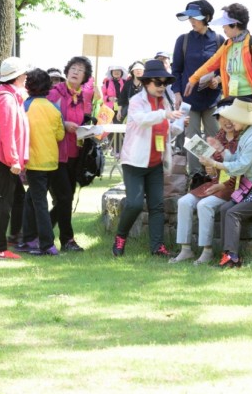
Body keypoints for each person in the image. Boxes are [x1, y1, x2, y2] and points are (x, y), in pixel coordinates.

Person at [111, 60, 183, 257]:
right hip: (134, 162)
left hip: (155, 162)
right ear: (146, 82)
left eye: (164, 83)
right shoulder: (136, 101)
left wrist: (179, 124)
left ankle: (157, 247)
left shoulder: (165, 102)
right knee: (134, 204)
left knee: (157, 206)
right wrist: (165, 114)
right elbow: (142, 120)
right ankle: (120, 237)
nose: (162, 87)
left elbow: (166, 130)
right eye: (158, 82)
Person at [204, 99, 252, 268]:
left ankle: (232, 257)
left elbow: (240, 167)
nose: (231, 122)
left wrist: (215, 164)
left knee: (233, 213)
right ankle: (226, 254)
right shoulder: (246, 134)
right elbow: (236, 159)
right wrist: (221, 150)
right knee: (225, 209)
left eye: (234, 118)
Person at [185, 3, 252, 128]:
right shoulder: (227, 44)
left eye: (225, 24)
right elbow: (211, 63)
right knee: (233, 136)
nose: (223, 27)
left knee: (250, 136)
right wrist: (193, 79)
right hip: (233, 98)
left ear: (235, 24)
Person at [171, 97, 238, 265]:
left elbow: (240, 171)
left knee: (204, 205)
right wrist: (210, 168)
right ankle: (185, 249)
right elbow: (214, 170)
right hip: (216, 183)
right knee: (184, 202)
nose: (227, 122)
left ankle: (207, 251)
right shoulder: (219, 137)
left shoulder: (242, 139)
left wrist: (218, 176)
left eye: (230, 117)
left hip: (233, 186)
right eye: (222, 118)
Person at [0, 57, 31, 260]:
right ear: (17, 76)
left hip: (1, 156)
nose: (26, 77)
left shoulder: (4, 95)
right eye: (24, 74)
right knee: (4, 202)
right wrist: (14, 160)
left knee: (3, 200)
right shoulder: (7, 99)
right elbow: (7, 133)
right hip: (5, 159)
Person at [172, 0, 225, 183]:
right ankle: (196, 175)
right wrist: (177, 94)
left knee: (215, 138)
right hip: (189, 101)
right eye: (190, 18)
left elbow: (225, 69)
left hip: (212, 100)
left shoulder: (219, 40)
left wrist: (217, 80)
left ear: (207, 18)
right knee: (193, 140)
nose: (192, 21)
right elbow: (176, 70)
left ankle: (215, 175)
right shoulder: (183, 40)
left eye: (196, 17)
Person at [48, 56, 97, 252]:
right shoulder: (55, 93)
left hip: (76, 154)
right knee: (65, 197)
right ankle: (67, 240)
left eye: (80, 70)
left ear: (85, 77)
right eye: (73, 68)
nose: (76, 72)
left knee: (66, 197)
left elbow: (82, 121)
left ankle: (40, 230)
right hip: (56, 153)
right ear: (67, 71)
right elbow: (45, 118)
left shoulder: (83, 97)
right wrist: (64, 124)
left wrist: (90, 128)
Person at [21, 69, 65, 256]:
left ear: (28, 86)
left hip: (34, 161)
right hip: (51, 161)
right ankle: (29, 238)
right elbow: (60, 135)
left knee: (38, 202)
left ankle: (47, 244)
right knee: (31, 199)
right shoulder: (54, 108)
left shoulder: (25, 106)